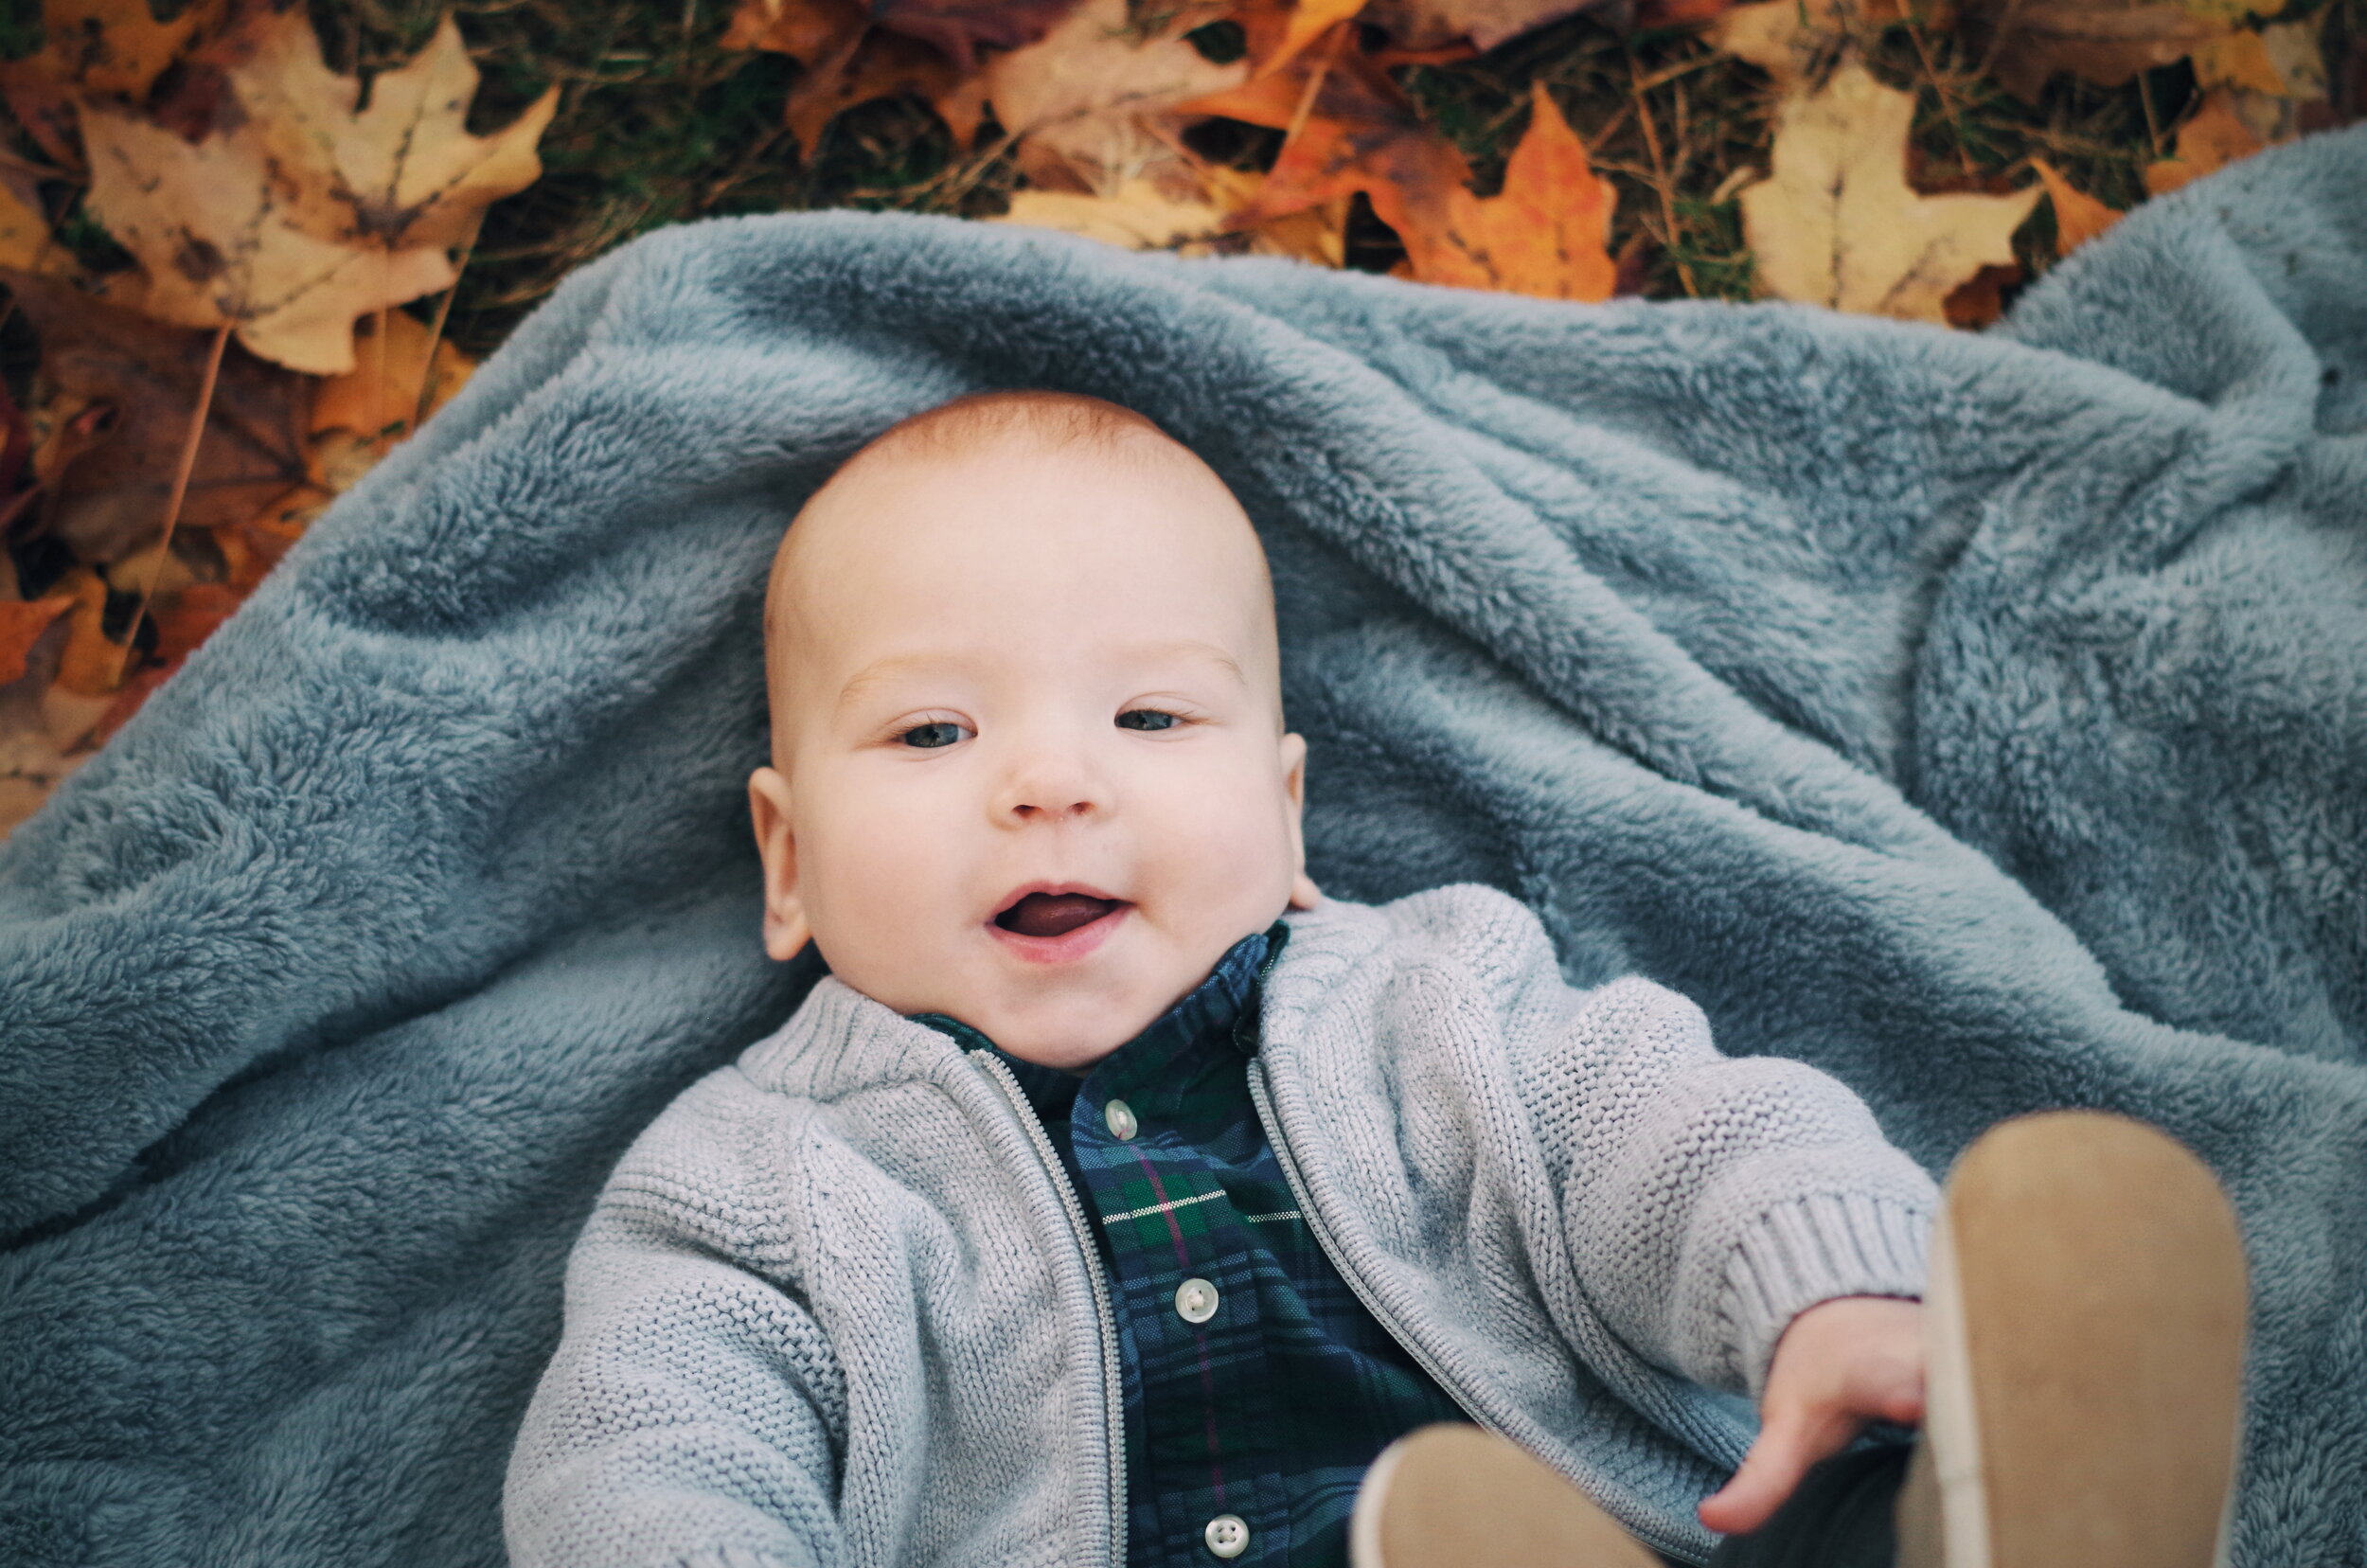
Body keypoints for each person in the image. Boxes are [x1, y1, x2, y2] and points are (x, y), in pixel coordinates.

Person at [503, 391, 2247, 1568]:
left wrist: (1827, 1296)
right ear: (788, 859)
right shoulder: (754, 1188)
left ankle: (1994, 1482)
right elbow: (652, 1440)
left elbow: (1677, 1131)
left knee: (1800, 1502)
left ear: (1284, 817)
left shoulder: (1437, 1006)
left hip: (1616, 1536)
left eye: (1150, 715)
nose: (1049, 782)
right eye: (932, 731)